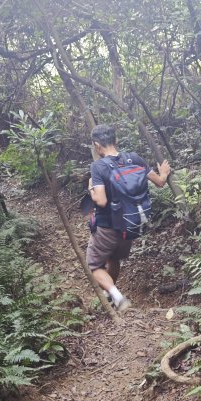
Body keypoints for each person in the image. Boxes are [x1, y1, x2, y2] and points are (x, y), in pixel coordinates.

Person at [86, 124, 171, 312]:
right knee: (113, 259)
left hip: (107, 228)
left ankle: (117, 297)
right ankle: (110, 297)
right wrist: (164, 173)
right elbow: (160, 182)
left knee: (95, 265)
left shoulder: (98, 167)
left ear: (97, 145)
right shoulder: (135, 158)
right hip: (130, 226)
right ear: (115, 140)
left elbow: (101, 200)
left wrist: (91, 187)